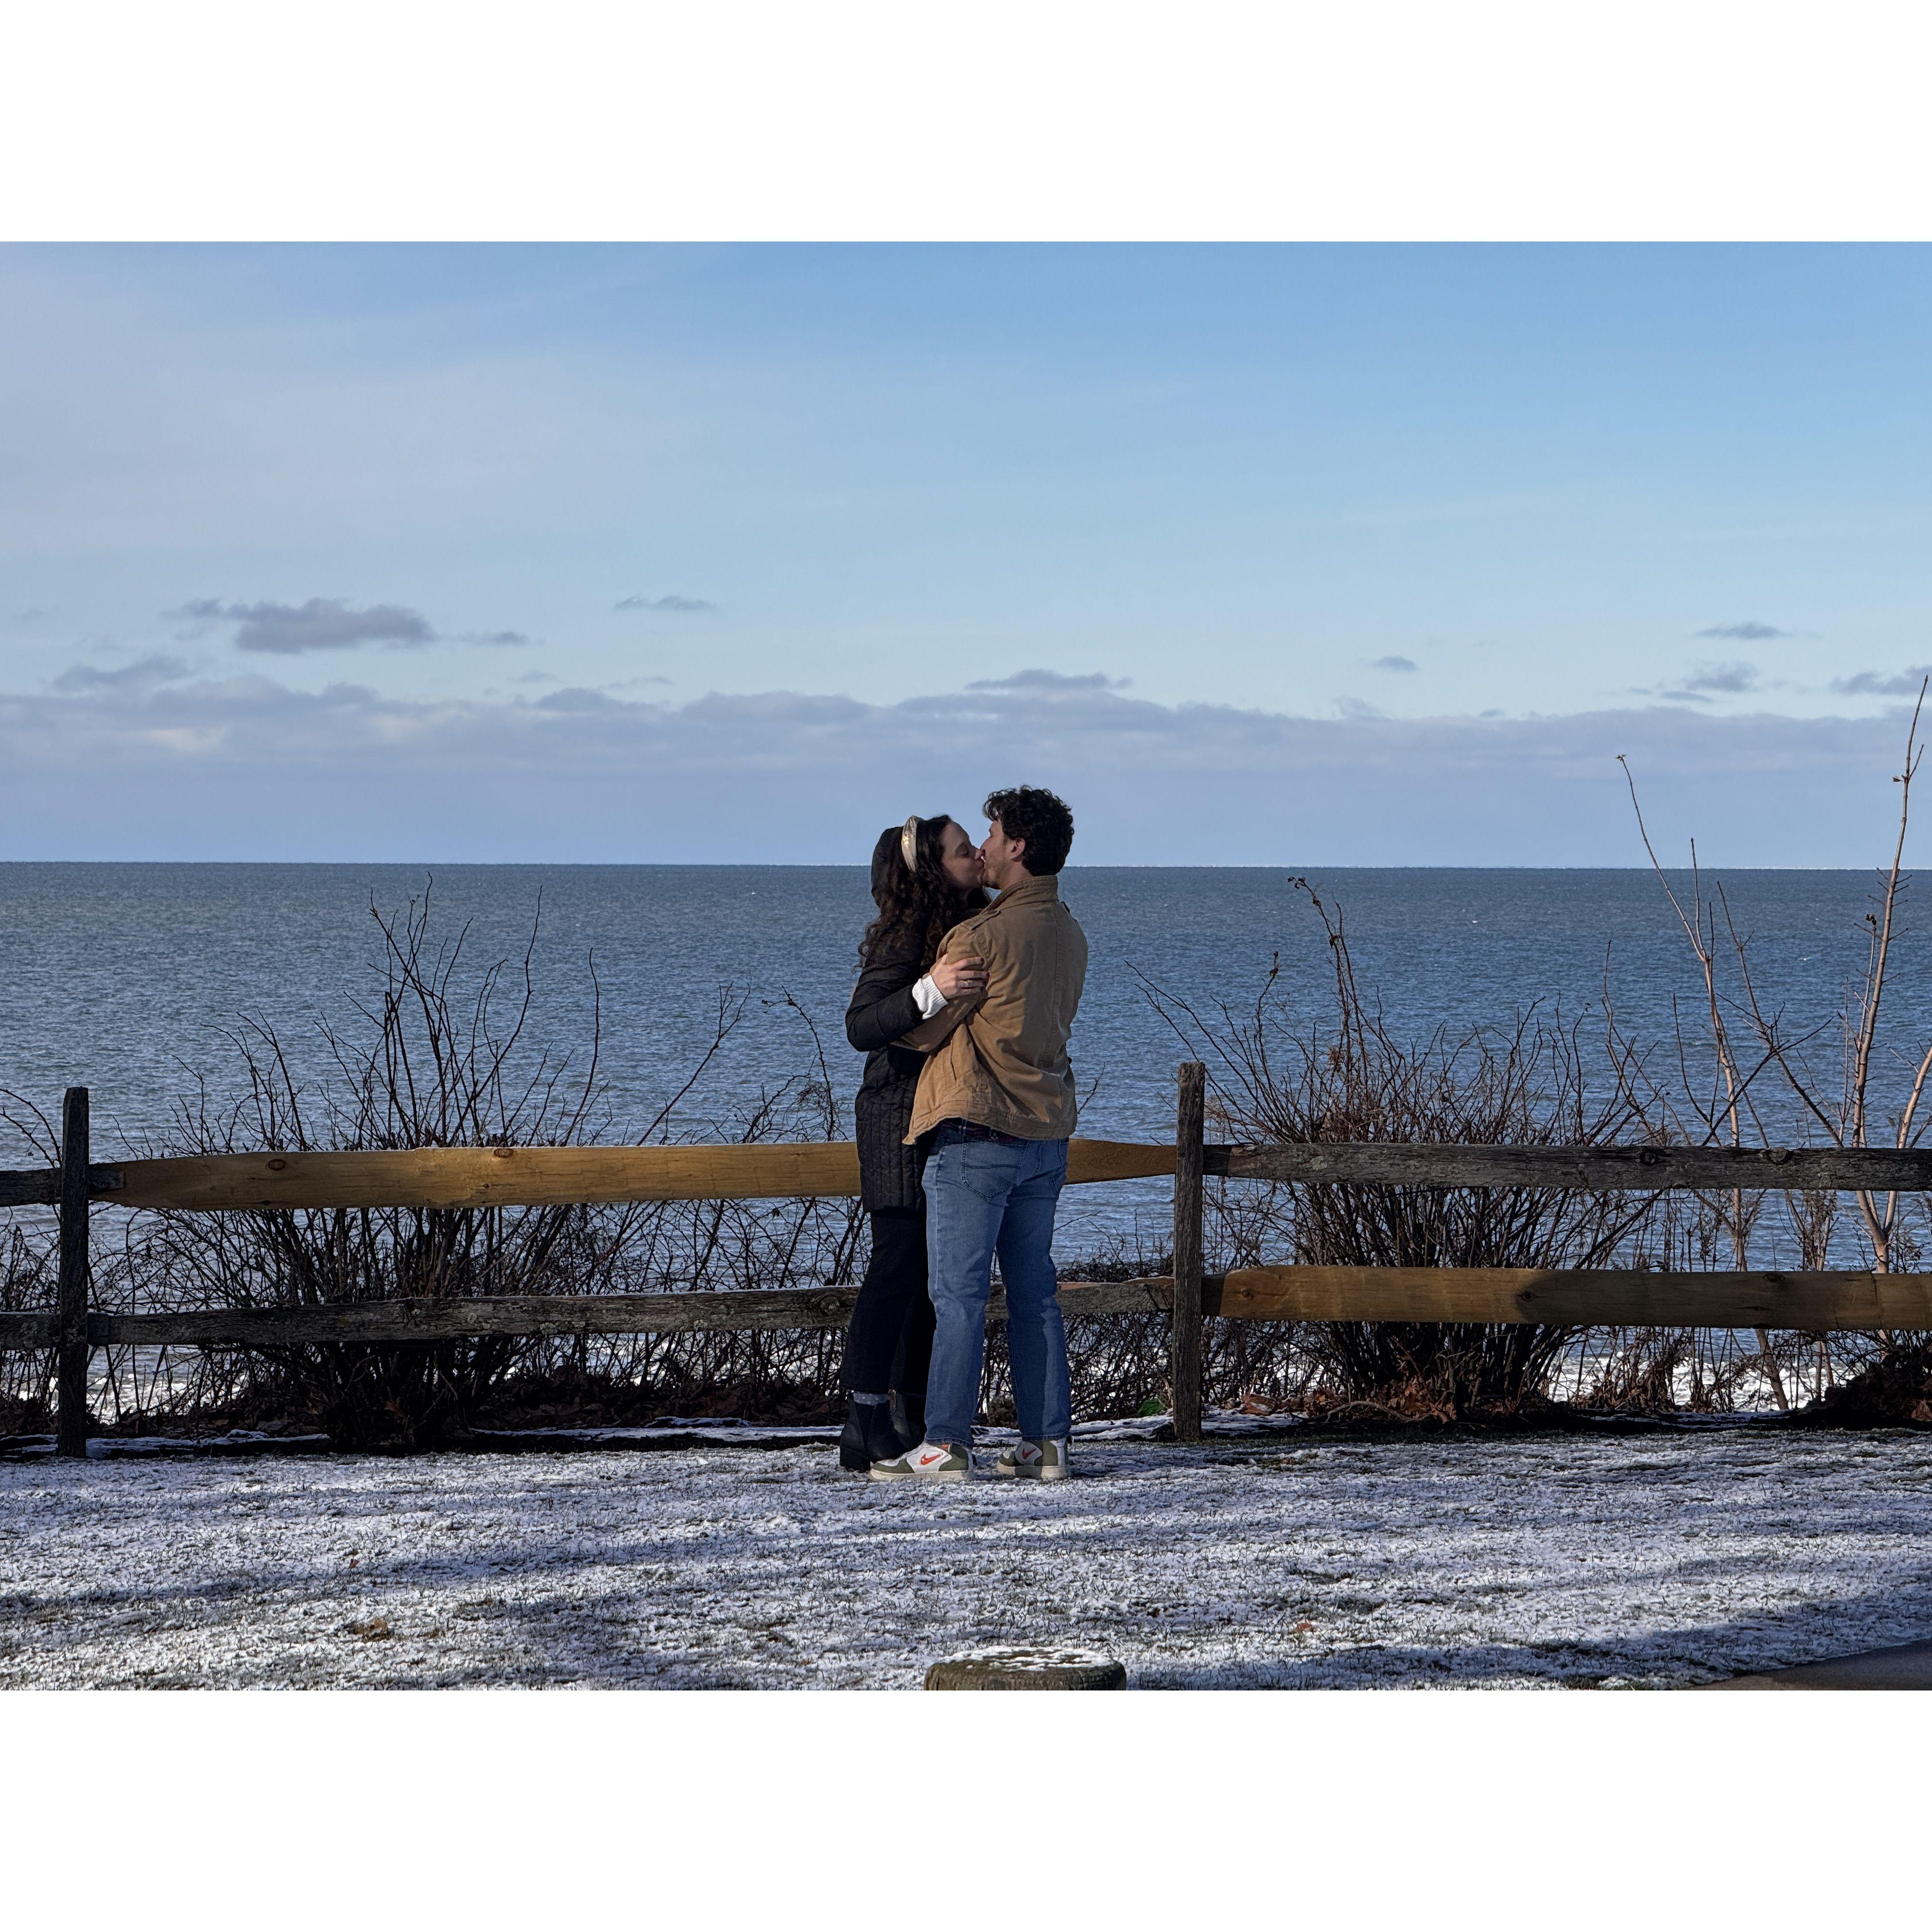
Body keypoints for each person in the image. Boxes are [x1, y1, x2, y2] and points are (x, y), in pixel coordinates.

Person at [871, 786, 1086, 1482]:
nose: (984, 848)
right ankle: (1047, 1444)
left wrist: (924, 988)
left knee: (959, 1298)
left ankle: (945, 1443)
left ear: (1017, 846)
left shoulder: (981, 937)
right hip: (1046, 1135)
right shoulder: (1071, 934)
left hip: (976, 1133)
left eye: (991, 836)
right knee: (1035, 1295)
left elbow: (920, 1034)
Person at [838, 815, 989, 1471]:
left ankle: (916, 1417)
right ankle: (864, 1419)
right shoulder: (906, 933)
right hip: (896, 1116)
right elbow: (861, 1025)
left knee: (935, 1274)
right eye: (962, 850)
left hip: (943, 1116)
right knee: (896, 1266)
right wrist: (933, 990)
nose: (975, 854)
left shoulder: (968, 923)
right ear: (931, 869)